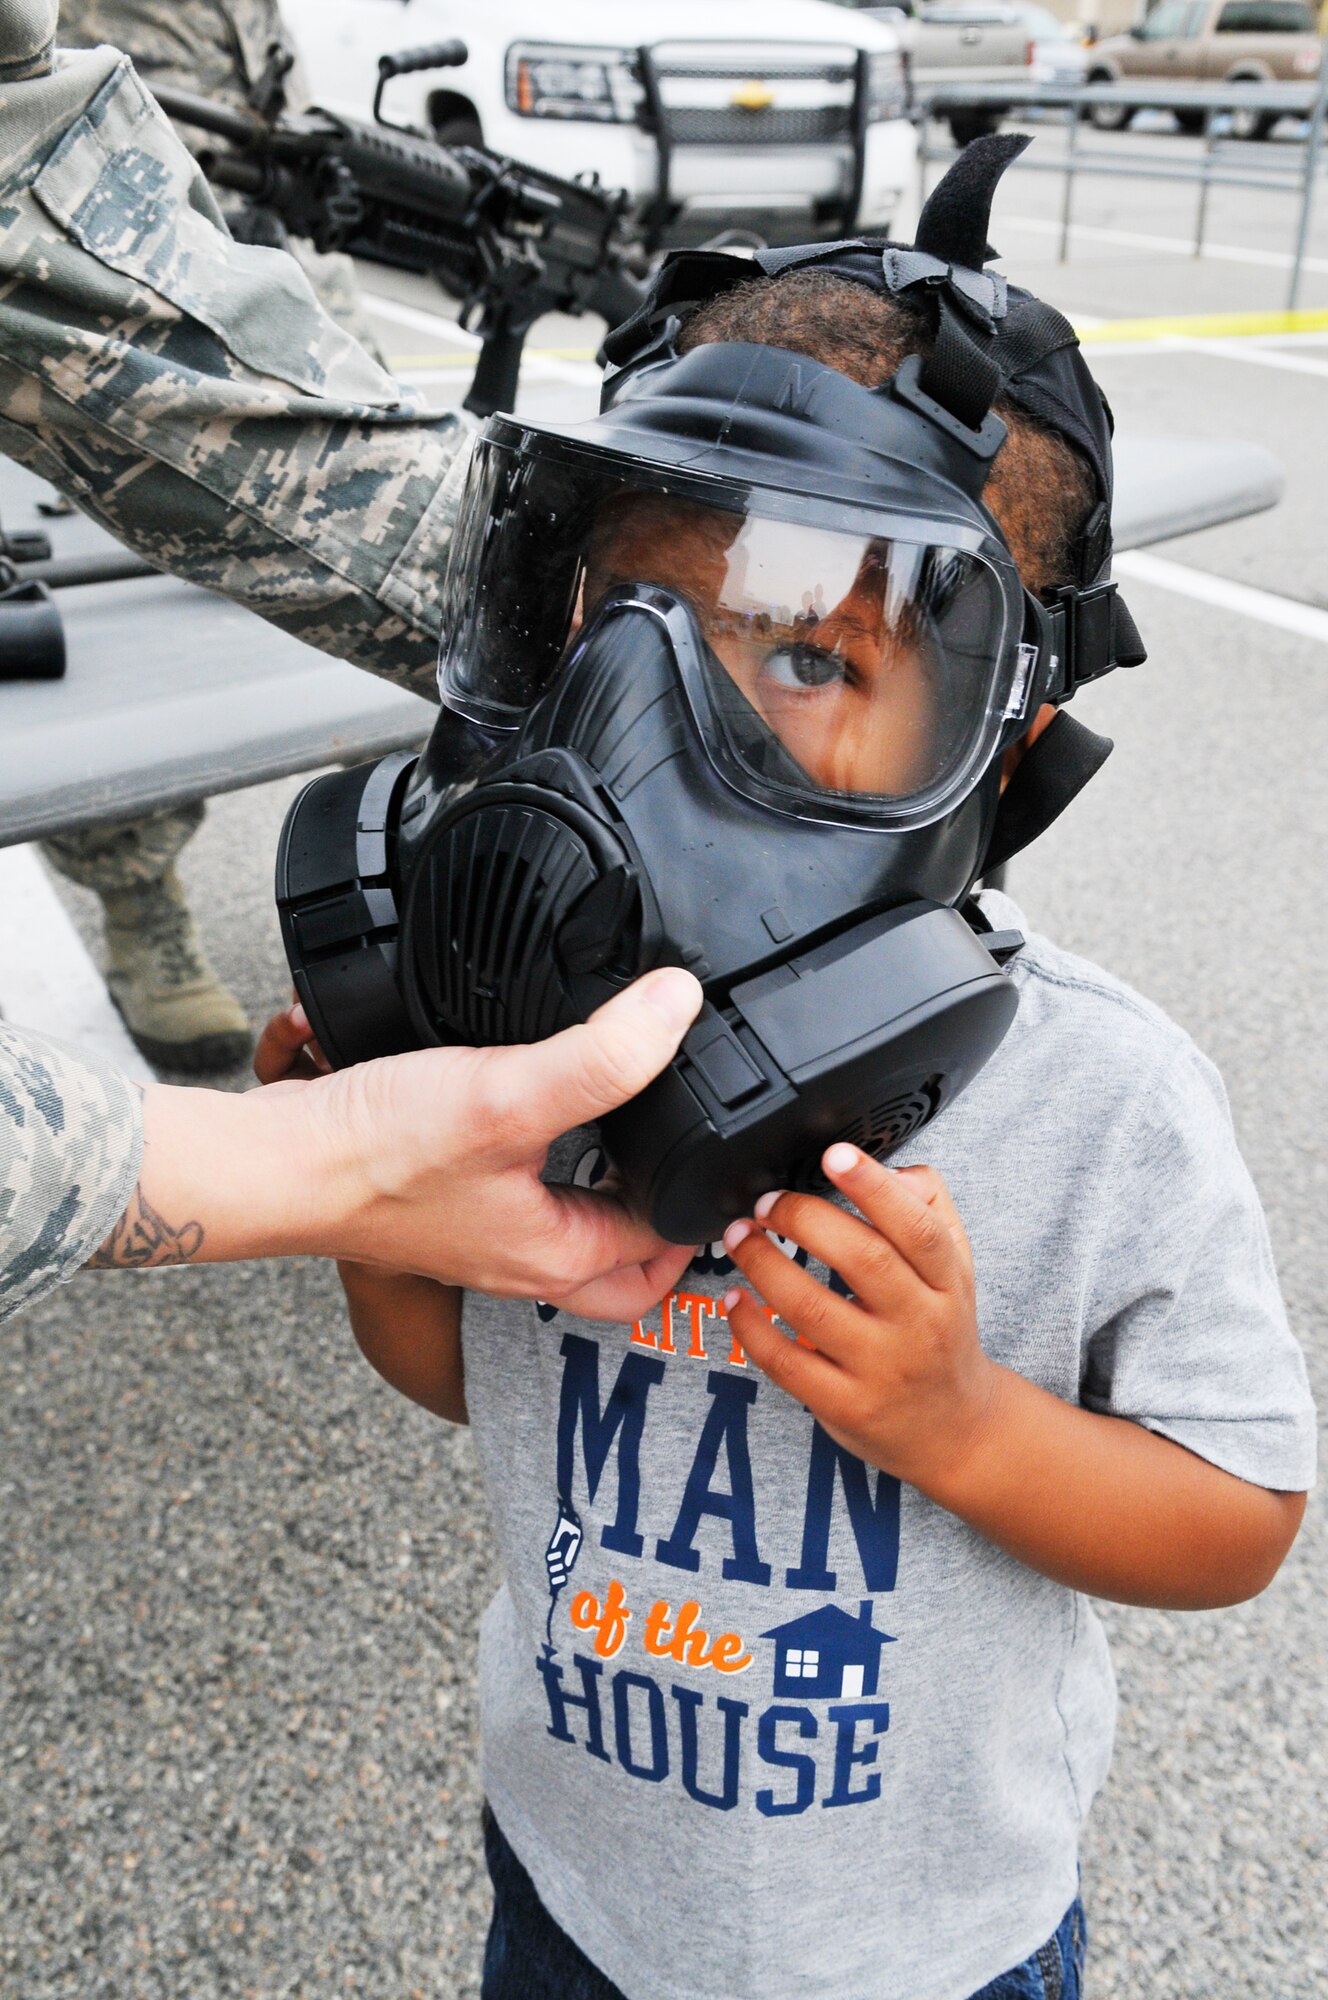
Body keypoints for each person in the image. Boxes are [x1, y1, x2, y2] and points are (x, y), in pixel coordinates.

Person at [255, 258, 1315, 2000]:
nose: (650, 730)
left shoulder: (1105, 1101)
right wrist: (371, 1213)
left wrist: (961, 1424)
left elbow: (1235, 1516)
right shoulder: (532, 1033)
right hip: (578, 1900)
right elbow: (468, 1376)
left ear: (1000, 732)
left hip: (928, 1946)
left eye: (811, 650)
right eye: (621, 627)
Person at [38, 0, 390, 1075]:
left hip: (248, 255)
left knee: (367, 548)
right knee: (123, 611)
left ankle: (404, 891)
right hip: (93, 276)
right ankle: (142, 904)